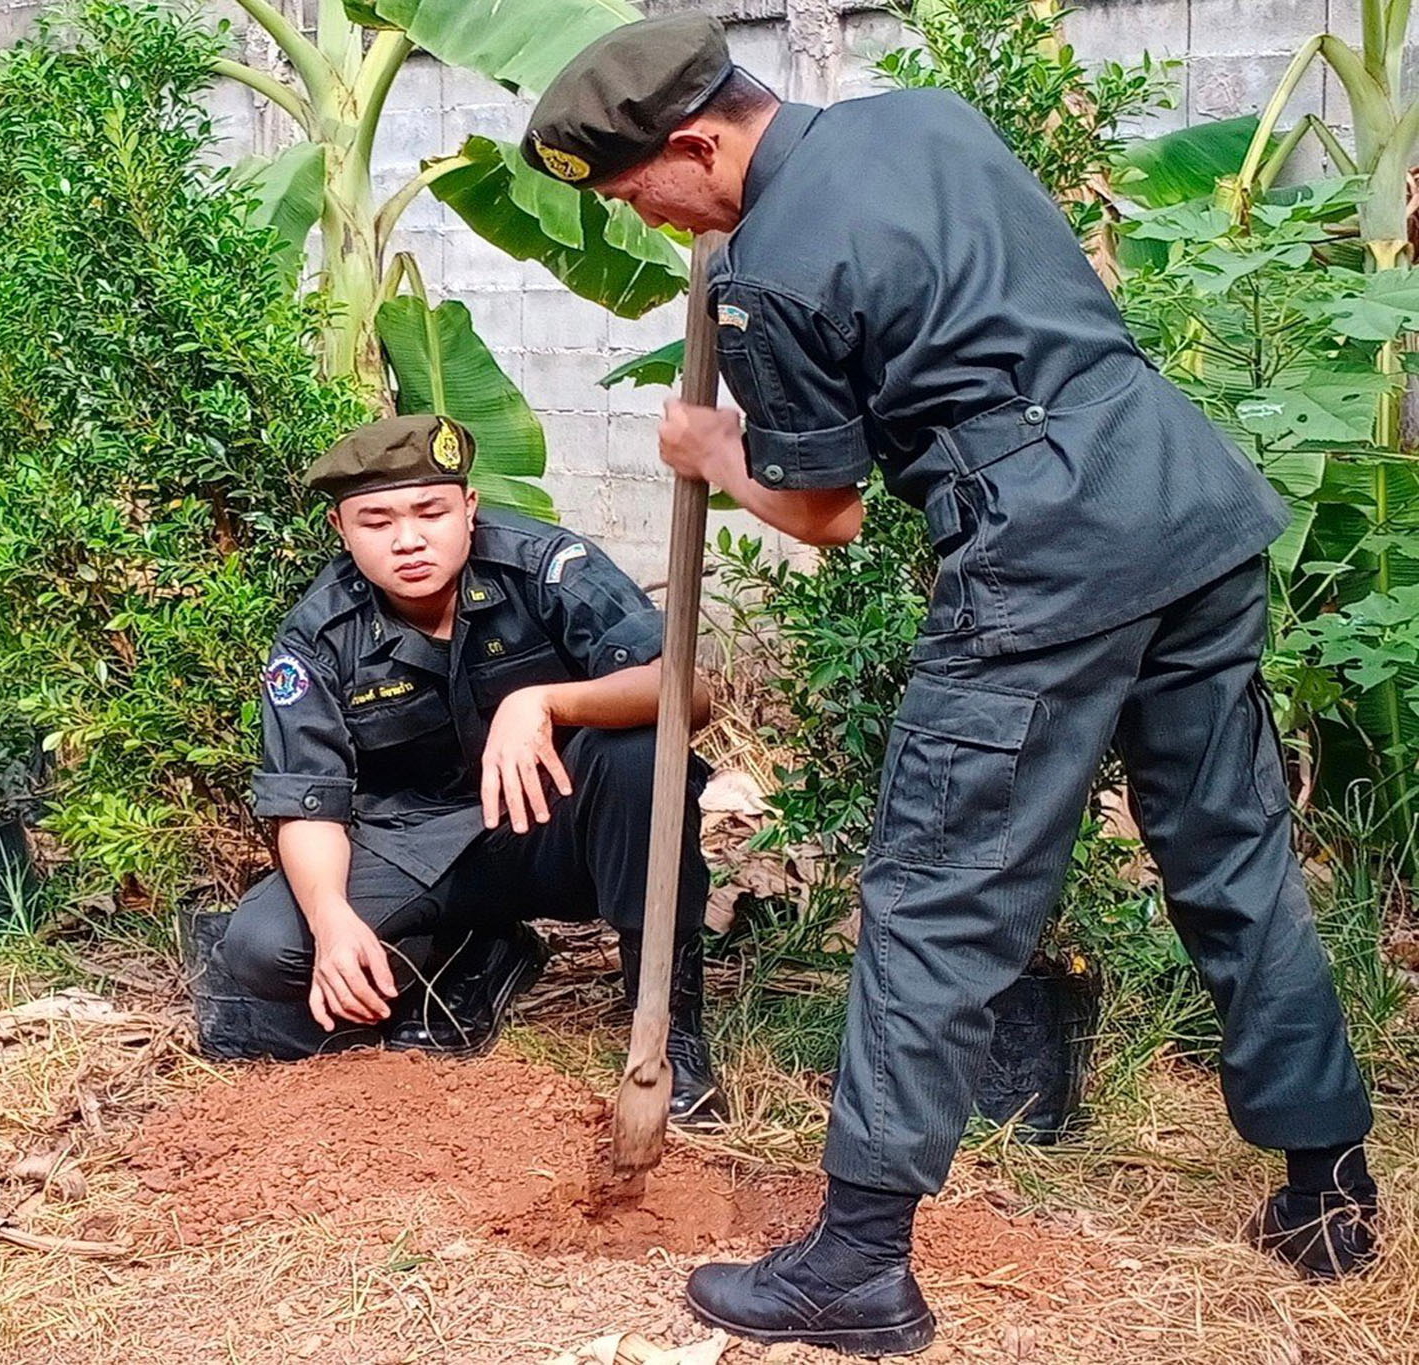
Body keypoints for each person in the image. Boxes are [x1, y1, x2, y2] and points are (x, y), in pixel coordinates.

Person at [522, 13, 1378, 1355]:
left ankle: (858, 1266)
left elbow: (826, 515)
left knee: (936, 888)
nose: (650, 221)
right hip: (1182, 496)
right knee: (1231, 851)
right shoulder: (919, 116)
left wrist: (711, 449)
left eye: (642, 194)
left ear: (695, 141)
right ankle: (1330, 1190)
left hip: (1046, 555)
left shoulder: (775, 274)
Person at [216, 413, 725, 1123]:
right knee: (266, 949)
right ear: (341, 530)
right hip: (417, 847)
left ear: (469, 508)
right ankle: (479, 951)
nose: (408, 538)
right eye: (377, 520)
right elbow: (309, 804)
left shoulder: (542, 567)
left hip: (554, 824)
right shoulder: (320, 631)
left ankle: (672, 1038)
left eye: (430, 510)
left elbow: (688, 693)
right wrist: (333, 921)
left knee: (642, 754)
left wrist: (545, 701)